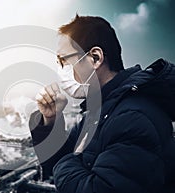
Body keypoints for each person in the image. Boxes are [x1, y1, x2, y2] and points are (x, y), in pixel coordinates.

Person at [29, 14, 175, 193]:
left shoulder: (132, 118)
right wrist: (50, 120)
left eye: (64, 60)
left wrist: (72, 158)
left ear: (96, 58)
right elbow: (60, 167)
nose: (61, 69)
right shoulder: (100, 111)